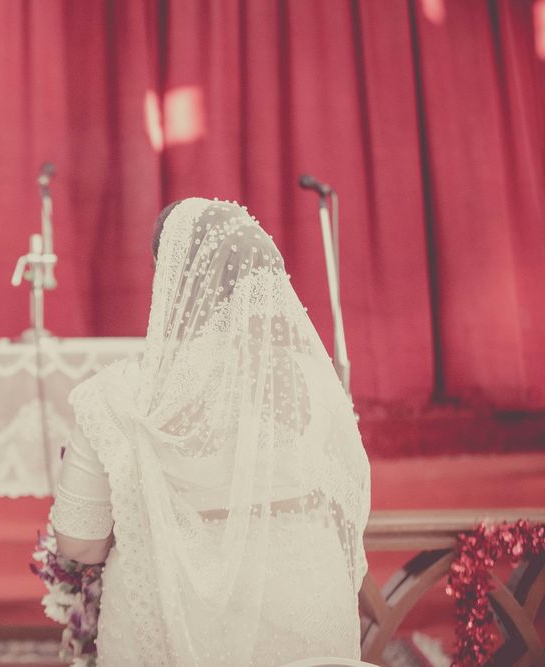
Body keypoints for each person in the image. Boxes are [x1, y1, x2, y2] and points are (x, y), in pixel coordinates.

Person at [49, 197, 371, 665]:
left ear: (170, 277)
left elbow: (79, 542)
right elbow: (347, 502)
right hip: (304, 608)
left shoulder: (114, 394)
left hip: (172, 621)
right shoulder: (312, 379)